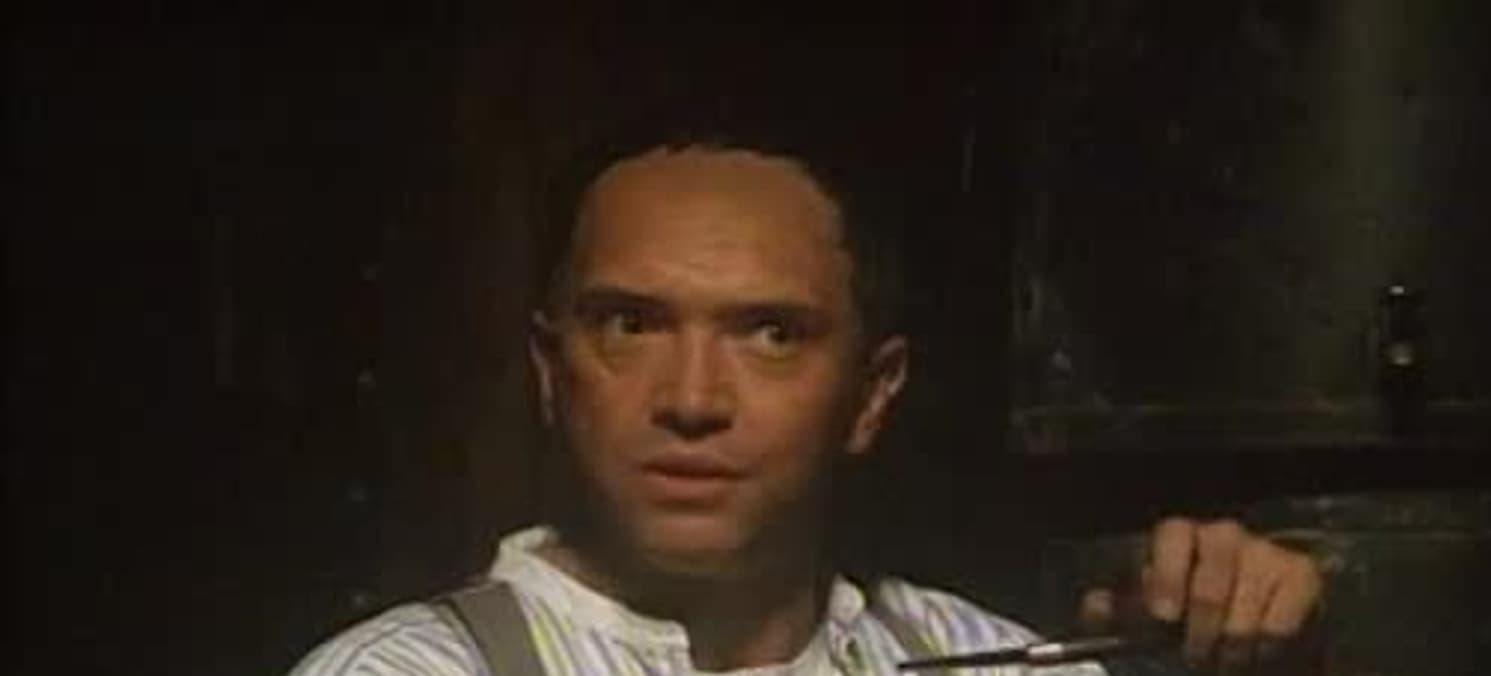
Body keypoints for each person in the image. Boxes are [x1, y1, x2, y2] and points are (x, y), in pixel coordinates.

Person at [289, 141, 1322, 675]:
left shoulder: (981, 664)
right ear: (552, 372)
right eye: (632, 325)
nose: (692, 400)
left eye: (771, 335)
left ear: (871, 395)